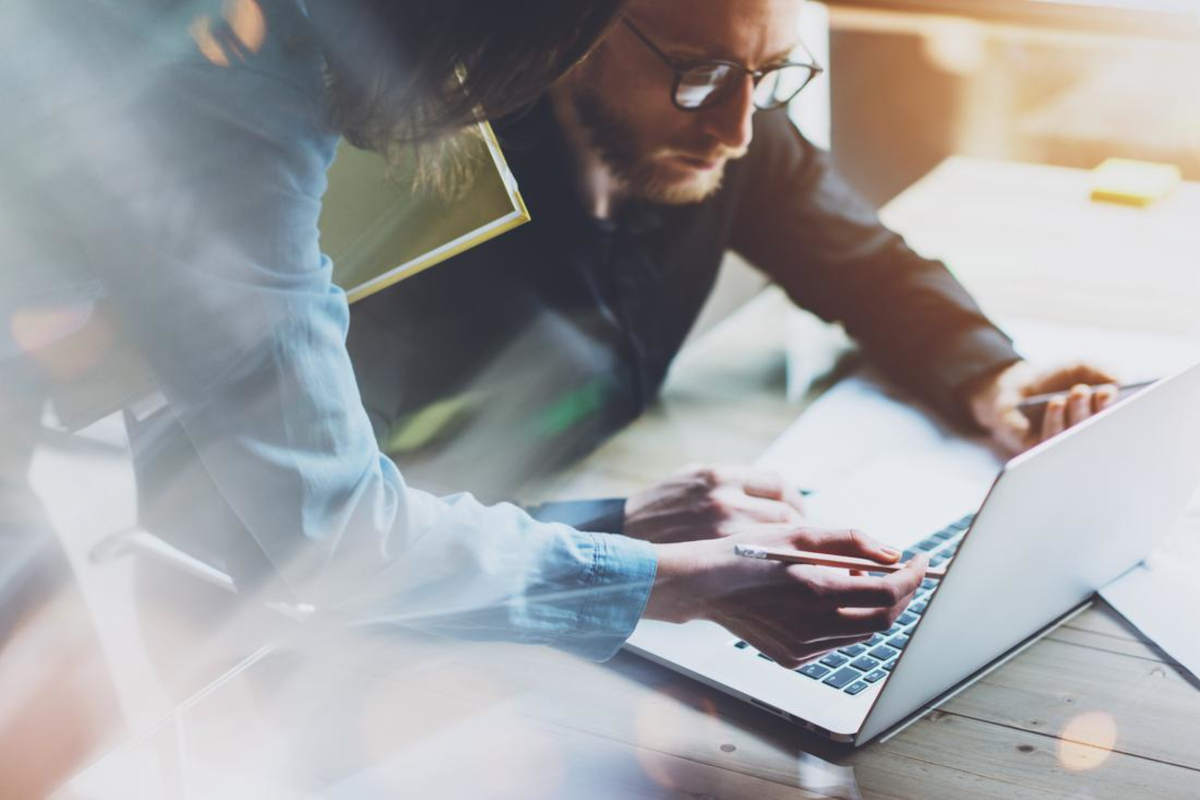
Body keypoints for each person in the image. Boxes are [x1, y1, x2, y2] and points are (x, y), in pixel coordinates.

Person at [2, 0, 923, 684]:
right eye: (697, 72)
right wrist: (663, 580)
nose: (735, 127)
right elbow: (308, 527)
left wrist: (617, 536)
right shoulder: (241, 92)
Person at [346, 0, 1120, 544]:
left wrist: (992, 376)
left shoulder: (719, 130)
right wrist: (619, 527)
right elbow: (334, 526)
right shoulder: (415, 218)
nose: (739, 129)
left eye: (770, 73)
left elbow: (867, 266)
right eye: (700, 74)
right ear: (573, 29)